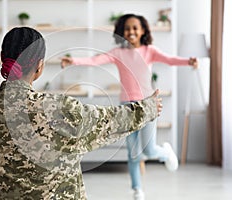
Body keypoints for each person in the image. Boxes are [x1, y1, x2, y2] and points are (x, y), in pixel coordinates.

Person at [0, 27, 162, 199]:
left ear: (3, 58)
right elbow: (113, 120)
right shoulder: (63, 110)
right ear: (40, 66)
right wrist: (150, 106)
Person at [61, 13, 198, 200]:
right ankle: (137, 190)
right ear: (121, 32)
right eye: (127, 28)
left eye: (135, 28)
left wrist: (188, 61)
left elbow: (170, 59)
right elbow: (95, 61)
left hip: (148, 105)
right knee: (133, 153)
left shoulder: (149, 51)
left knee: (149, 151)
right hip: (126, 108)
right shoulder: (118, 53)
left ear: (142, 31)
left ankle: (164, 151)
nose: (131, 31)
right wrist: (74, 60)